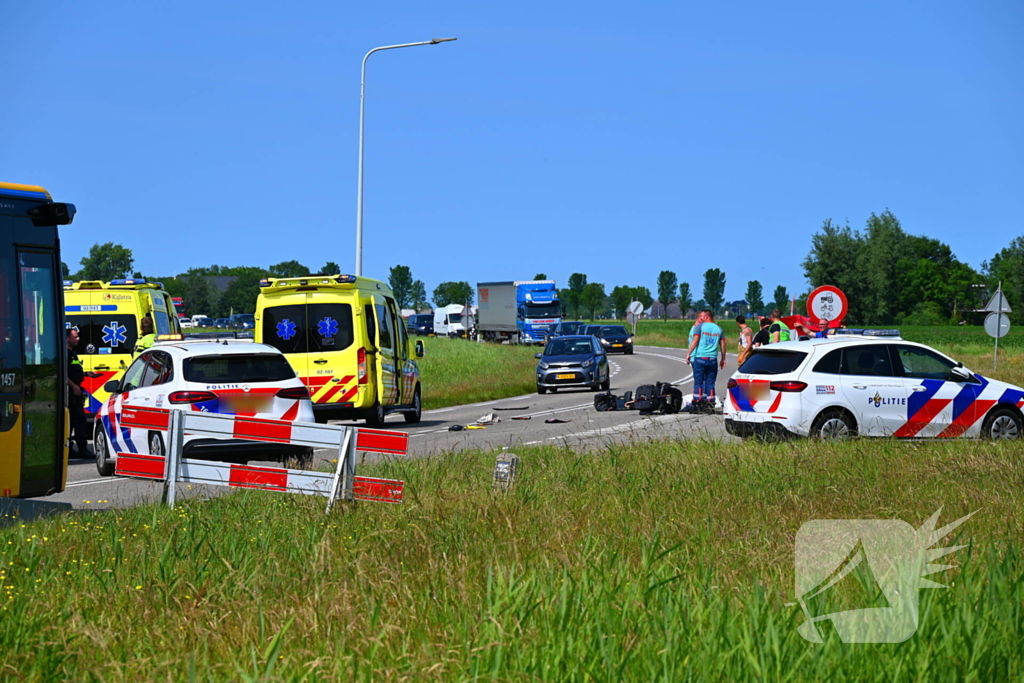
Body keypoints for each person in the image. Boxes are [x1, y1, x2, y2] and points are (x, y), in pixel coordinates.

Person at [684, 309, 727, 414]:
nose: (701, 317)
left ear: (707, 316)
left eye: (702, 315)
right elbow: (723, 345)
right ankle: (710, 404)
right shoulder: (719, 329)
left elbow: (695, 341)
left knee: (698, 382)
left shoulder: (700, 327)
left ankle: (697, 404)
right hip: (712, 359)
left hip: (700, 357)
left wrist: (689, 353)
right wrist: (723, 358)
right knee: (710, 382)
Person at [67, 327, 100, 458]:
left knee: (77, 420)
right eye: (75, 336)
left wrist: (86, 374)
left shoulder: (73, 353)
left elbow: (73, 371)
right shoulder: (65, 354)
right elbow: (63, 373)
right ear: (67, 338)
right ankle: (80, 449)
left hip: (75, 391)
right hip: (70, 392)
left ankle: (74, 449)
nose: (78, 338)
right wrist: (74, 386)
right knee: (76, 421)